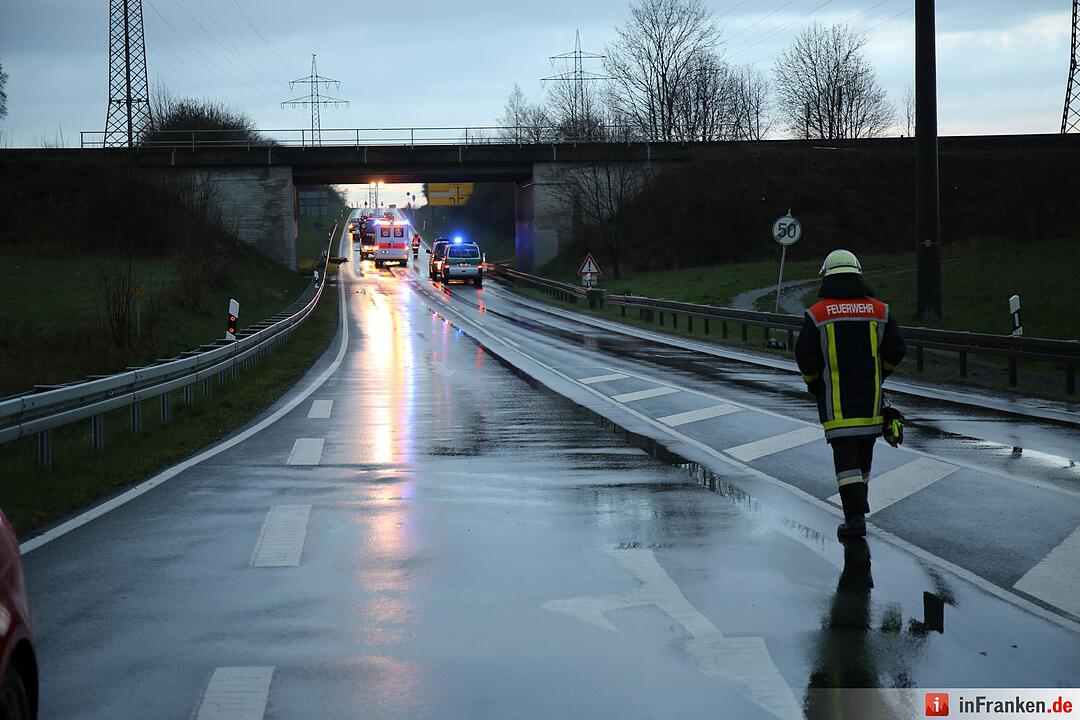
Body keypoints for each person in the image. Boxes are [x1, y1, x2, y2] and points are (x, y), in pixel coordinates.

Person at [795, 250, 905, 540]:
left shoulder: (817, 314)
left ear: (827, 277)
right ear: (859, 274)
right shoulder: (880, 311)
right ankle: (858, 510)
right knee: (863, 458)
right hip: (870, 401)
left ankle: (855, 519)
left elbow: (805, 356)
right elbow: (897, 350)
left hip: (836, 404)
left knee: (846, 464)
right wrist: (880, 373)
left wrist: (814, 382)